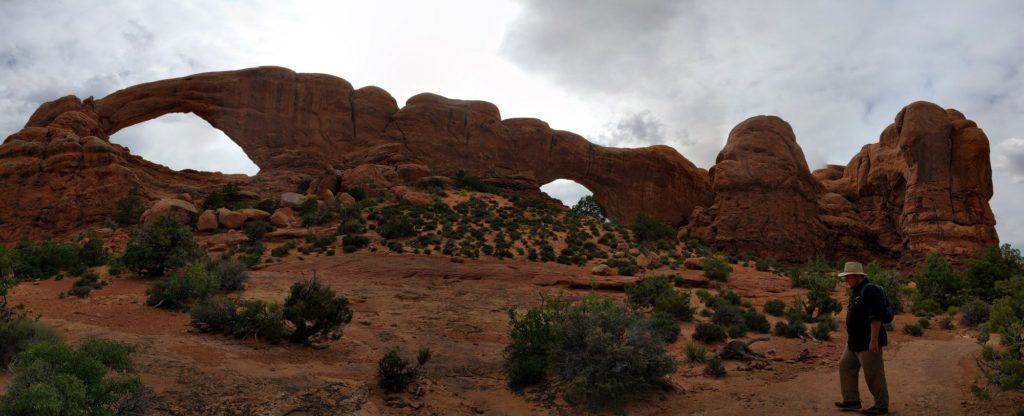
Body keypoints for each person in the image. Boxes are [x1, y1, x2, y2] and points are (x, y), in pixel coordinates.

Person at [834, 261, 890, 415]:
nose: (845, 280)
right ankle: (852, 401)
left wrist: (874, 340)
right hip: (855, 341)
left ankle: (881, 406)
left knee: (873, 373)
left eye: (848, 277)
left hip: (868, 341)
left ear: (857, 276)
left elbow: (876, 317)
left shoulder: (870, 290)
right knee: (845, 365)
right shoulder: (857, 290)